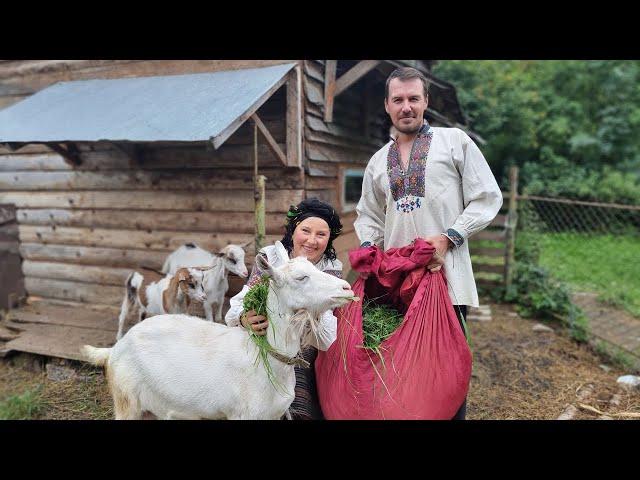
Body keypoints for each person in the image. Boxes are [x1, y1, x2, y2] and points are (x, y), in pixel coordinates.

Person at [354, 67, 503, 420]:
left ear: (426, 102)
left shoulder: (455, 142)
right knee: (400, 373)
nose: (406, 107)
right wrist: (369, 248)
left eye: (413, 99)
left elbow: (487, 197)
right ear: (387, 106)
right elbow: (368, 215)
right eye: (399, 100)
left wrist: (449, 237)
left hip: (446, 281)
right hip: (396, 285)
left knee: (446, 375)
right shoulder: (377, 161)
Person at [225, 197, 343, 420]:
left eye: (321, 234)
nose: (311, 241)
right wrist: (244, 319)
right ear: (293, 230)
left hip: (302, 346)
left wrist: (305, 314)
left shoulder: (329, 271)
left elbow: (325, 338)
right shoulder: (271, 259)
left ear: (330, 238)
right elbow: (236, 309)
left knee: (296, 402)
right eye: (305, 230)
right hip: (261, 341)